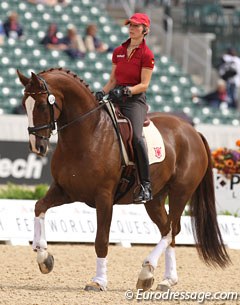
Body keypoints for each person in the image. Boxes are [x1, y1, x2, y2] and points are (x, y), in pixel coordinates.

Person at [95, 13, 154, 203]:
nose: (132, 28)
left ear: (145, 31)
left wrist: (127, 91)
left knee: (137, 138)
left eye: (136, 26)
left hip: (134, 101)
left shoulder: (147, 54)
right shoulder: (119, 50)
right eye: (130, 25)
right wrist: (101, 92)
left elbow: (144, 84)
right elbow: (113, 79)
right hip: (115, 96)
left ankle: (145, 185)